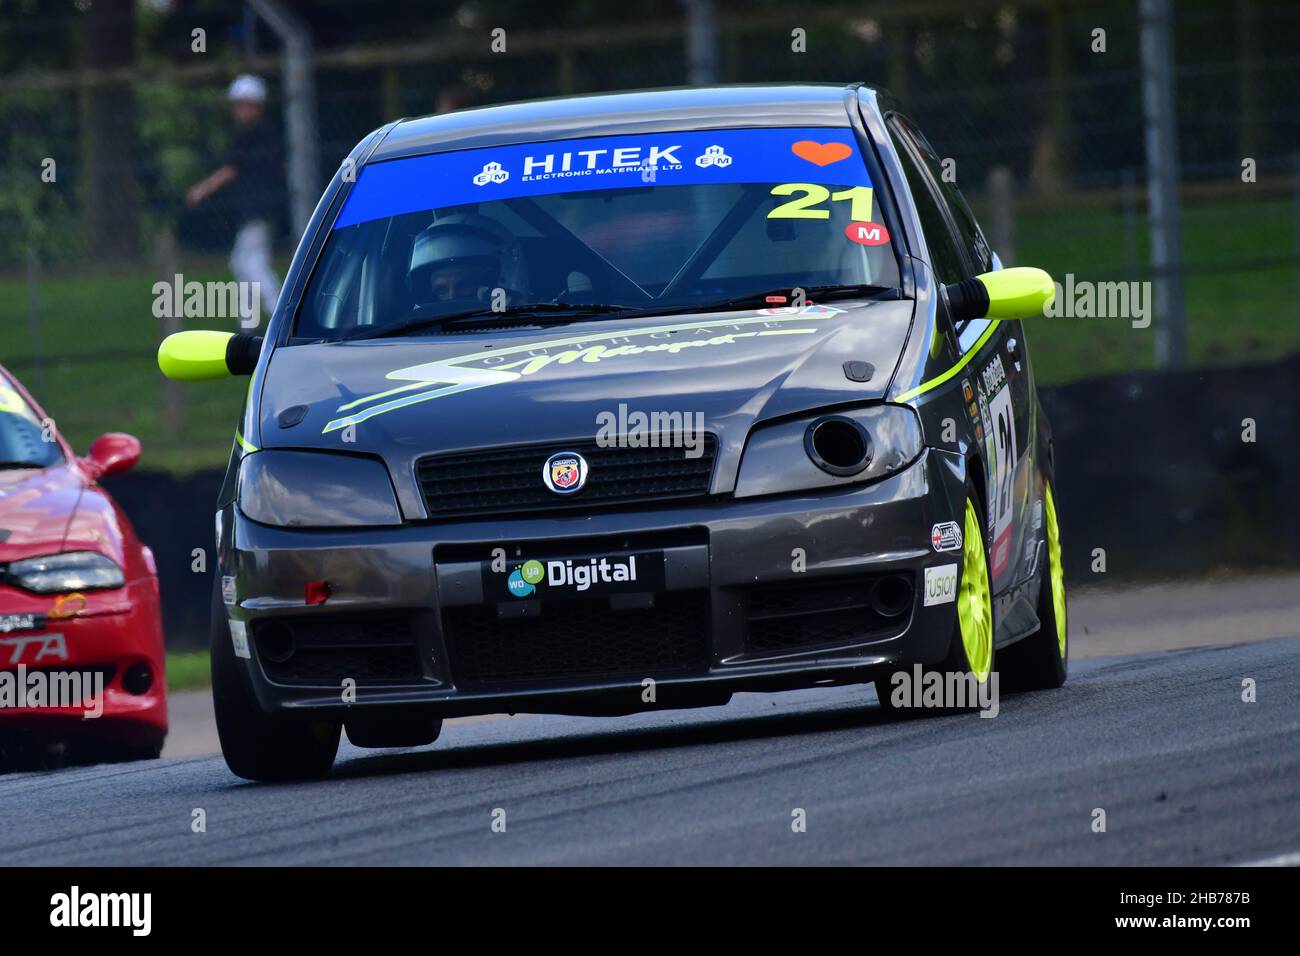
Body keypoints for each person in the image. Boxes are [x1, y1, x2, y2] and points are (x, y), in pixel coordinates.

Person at [186, 75, 283, 324]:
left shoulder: (253, 133)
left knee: (253, 263)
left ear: (255, 105)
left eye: (242, 104)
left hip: (257, 207)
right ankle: (249, 323)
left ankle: (281, 316)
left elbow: (231, 169)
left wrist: (202, 189)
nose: (237, 110)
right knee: (241, 262)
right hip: (261, 206)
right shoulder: (265, 132)